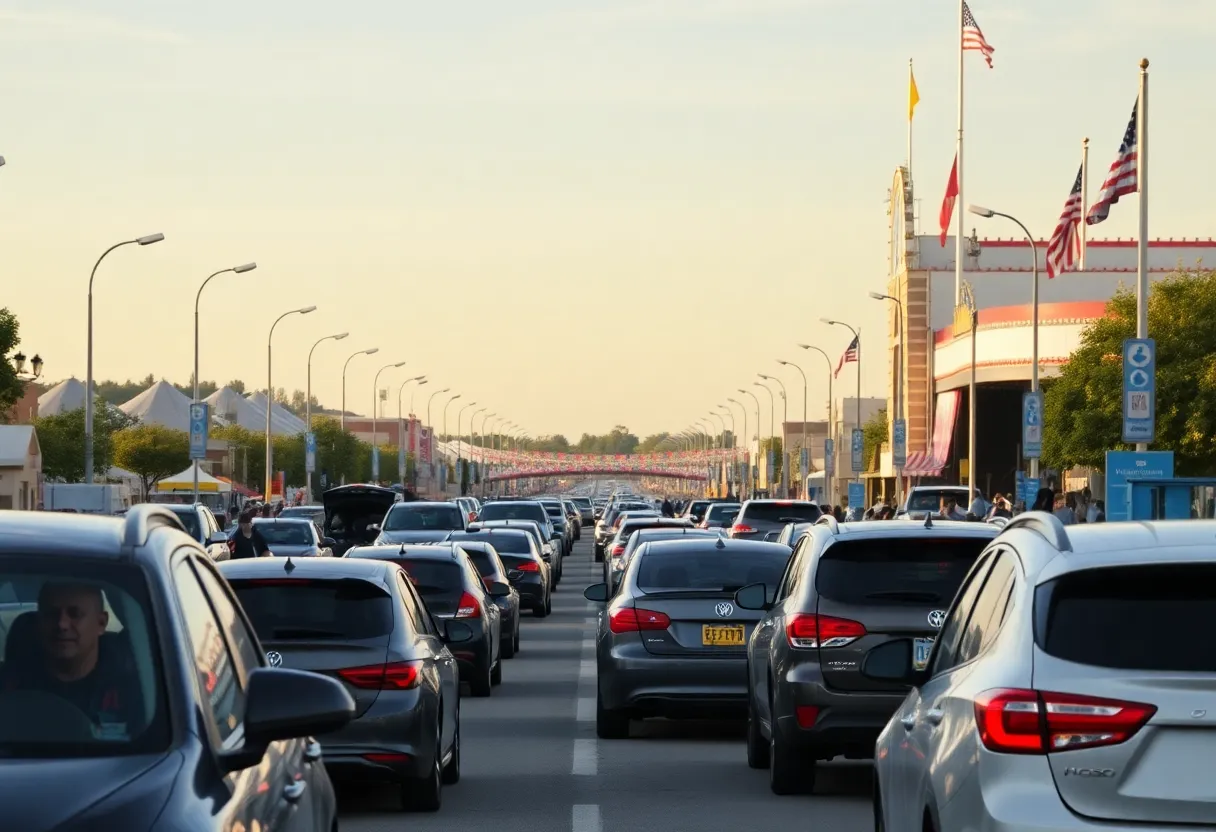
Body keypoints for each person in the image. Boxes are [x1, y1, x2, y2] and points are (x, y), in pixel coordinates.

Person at [0, 582, 140, 733]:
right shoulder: (8, 687)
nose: (62, 624)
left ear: (101, 623)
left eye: (75, 614)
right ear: (39, 622)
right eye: (52, 614)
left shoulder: (135, 691)